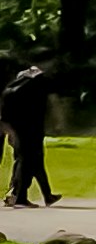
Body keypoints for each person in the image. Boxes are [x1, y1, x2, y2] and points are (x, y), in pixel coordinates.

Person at [3, 61, 54, 210]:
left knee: (27, 161)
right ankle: (19, 196)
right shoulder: (34, 89)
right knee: (27, 162)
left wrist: (10, 132)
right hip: (31, 131)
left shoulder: (11, 90)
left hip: (18, 130)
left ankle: (44, 195)